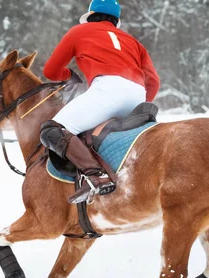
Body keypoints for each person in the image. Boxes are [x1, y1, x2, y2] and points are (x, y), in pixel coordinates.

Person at [40, 0, 160, 204]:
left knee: (51, 129)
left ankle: (95, 175)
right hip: (138, 96)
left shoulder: (79, 32)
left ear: (90, 15)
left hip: (108, 91)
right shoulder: (133, 41)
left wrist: (68, 74)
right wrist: (138, 104)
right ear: (116, 21)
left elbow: (50, 71)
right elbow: (154, 81)